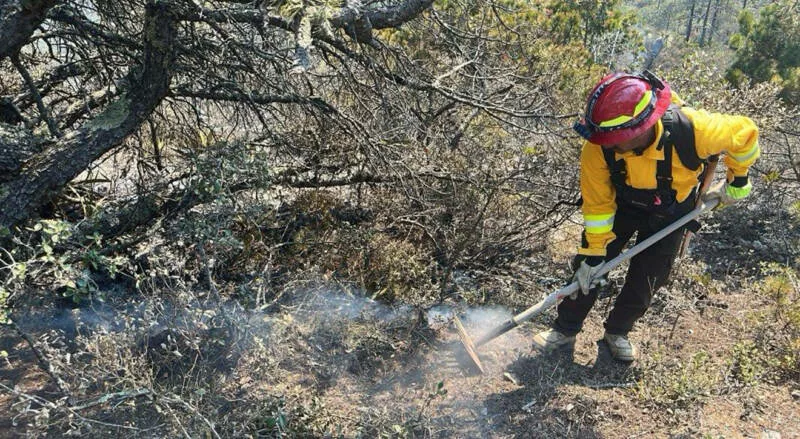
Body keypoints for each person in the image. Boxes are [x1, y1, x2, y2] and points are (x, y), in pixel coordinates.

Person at [533, 70, 760, 362]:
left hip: (671, 212)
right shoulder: (598, 148)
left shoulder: (694, 130)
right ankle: (565, 330)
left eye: (615, 140)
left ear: (640, 128)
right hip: (622, 206)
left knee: (649, 276)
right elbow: (597, 204)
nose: (607, 145)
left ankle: (618, 332)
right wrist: (593, 254)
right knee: (587, 270)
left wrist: (737, 180)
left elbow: (746, 133)